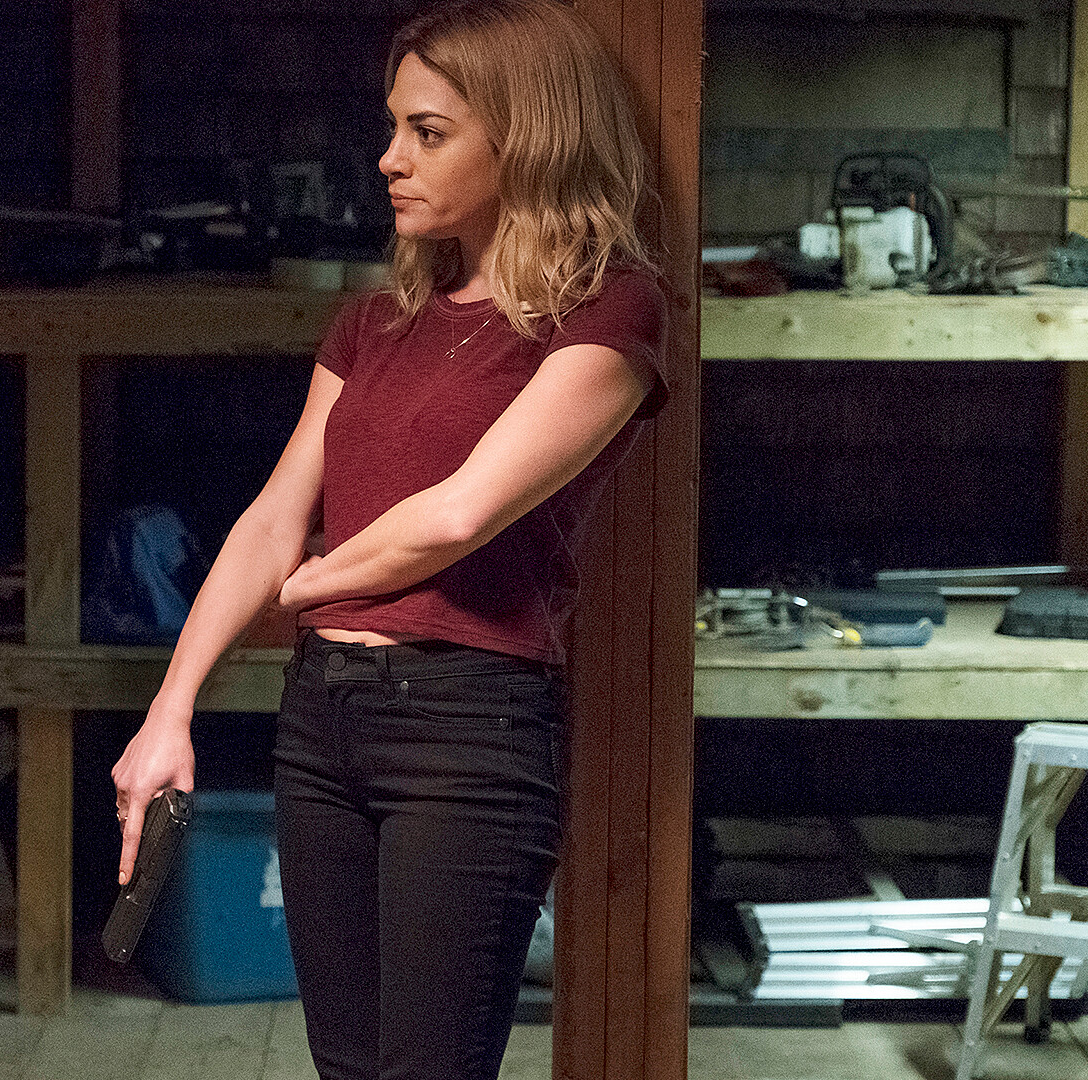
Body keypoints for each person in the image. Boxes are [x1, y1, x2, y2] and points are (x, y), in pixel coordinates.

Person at [111, 1, 670, 1075]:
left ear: (526, 140)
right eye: (394, 127)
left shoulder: (609, 313)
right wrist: (170, 710)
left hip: (466, 726)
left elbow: (458, 515)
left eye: (428, 132)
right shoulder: (374, 324)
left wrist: (303, 590)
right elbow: (273, 515)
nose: (389, 158)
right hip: (322, 718)